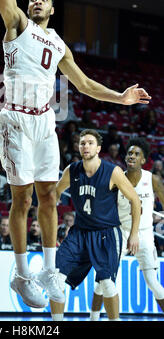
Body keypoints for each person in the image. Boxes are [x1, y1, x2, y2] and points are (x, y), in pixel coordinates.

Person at [0, 0, 151, 309]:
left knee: (48, 197)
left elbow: (83, 84)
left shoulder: (59, 42)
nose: (37, 1)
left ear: (53, 7)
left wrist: (120, 97)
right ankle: (22, 274)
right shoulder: (17, 25)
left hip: (45, 121)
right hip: (15, 119)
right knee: (22, 199)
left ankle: (47, 268)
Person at [50, 129, 141, 322]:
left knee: (106, 283)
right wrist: (50, 214)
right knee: (56, 278)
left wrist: (133, 234)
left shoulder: (112, 171)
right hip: (80, 233)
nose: (86, 146)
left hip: (106, 234)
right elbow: (54, 194)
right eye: (82, 143)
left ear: (98, 148)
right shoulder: (72, 170)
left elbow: (135, 200)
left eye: (90, 143)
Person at [90, 137, 164, 320]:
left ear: (143, 160)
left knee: (154, 283)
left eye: (136, 154)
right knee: (103, 280)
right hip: (120, 233)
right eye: (130, 153)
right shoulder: (116, 179)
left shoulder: (152, 179)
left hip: (145, 234)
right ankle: (93, 317)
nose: (132, 156)